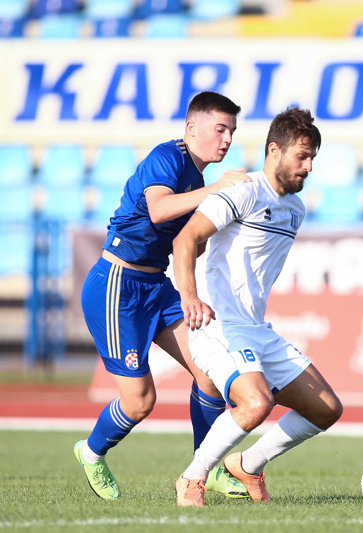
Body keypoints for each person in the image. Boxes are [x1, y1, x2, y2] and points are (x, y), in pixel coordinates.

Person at [73, 91, 251, 501]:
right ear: (191, 128)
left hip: (156, 286)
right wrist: (216, 192)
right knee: (140, 402)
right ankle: (91, 452)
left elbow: (188, 246)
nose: (226, 139)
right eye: (219, 129)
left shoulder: (198, 181)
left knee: (210, 373)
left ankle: (205, 469)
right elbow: (158, 210)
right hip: (117, 286)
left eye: (231, 131)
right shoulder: (167, 156)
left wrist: (224, 222)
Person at [170, 107, 343, 507]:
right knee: (255, 403)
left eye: (313, 158)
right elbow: (186, 239)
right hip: (217, 325)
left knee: (326, 409)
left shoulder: (295, 209)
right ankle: (192, 478)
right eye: (302, 156)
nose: (309, 166)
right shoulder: (243, 191)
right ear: (274, 150)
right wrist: (190, 295)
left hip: (255, 329)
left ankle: (248, 465)